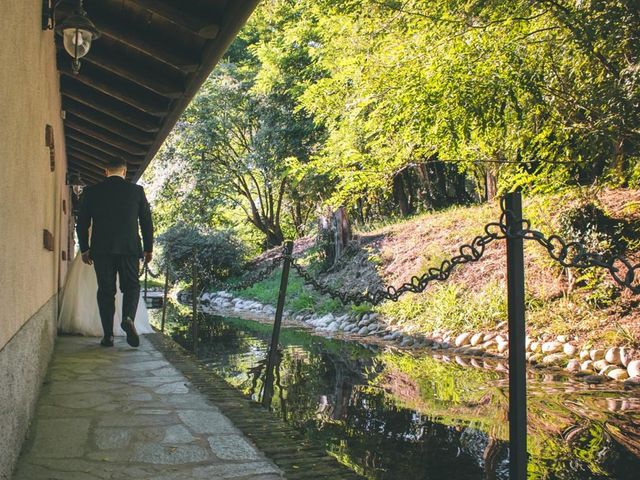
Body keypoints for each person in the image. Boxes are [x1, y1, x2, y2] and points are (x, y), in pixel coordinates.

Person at [74, 158, 154, 347]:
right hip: (129, 249)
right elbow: (146, 222)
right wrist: (148, 248)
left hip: (101, 250)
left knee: (106, 291)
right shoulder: (136, 191)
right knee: (132, 287)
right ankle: (127, 318)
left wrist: (85, 248)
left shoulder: (91, 192)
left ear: (105, 171)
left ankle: (108, 336)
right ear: (124, 172)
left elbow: (82, 223)